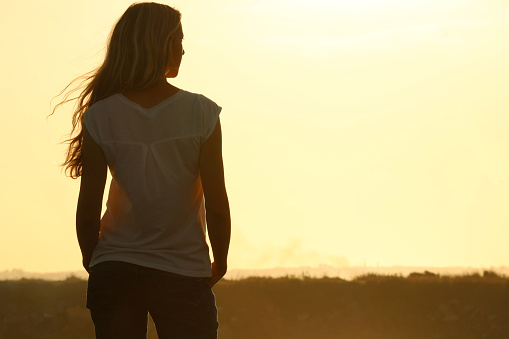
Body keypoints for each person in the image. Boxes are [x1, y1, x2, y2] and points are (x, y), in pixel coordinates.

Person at [55, 2, 231, 338]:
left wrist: (94, 258)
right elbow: (217, 203)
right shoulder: (202, 113)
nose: (183, 49)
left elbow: (89, 209)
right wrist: (220, 259)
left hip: (114, 267)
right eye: (178, 40)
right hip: (182, 271)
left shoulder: (100, 115)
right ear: (162, 44)